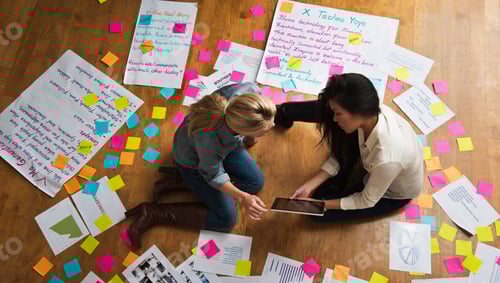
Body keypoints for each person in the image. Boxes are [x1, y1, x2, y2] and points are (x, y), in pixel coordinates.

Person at [123, 83, 276, 249]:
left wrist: (251, 136)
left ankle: (184, 183)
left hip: (225, 148)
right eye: (265, 130)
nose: (273, 126)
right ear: (240, 129)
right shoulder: (209, 140)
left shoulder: (248, 91)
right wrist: (243, 197)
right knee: (225, 220)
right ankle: (154, 213)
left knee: (255, 183)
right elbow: (214, 175)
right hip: (193, 162)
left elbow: (256, 125)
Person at [274, 73, 423, 221]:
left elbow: (366, 201)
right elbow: (341, 154)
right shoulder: (369, 116)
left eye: (338, 113)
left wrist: (320, 204)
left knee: (317, 215)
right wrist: (309, 185)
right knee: (320, 200)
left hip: (392, 195)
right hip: (377, 167)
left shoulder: (387, 158)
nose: (333, 119)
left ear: (357, 112)